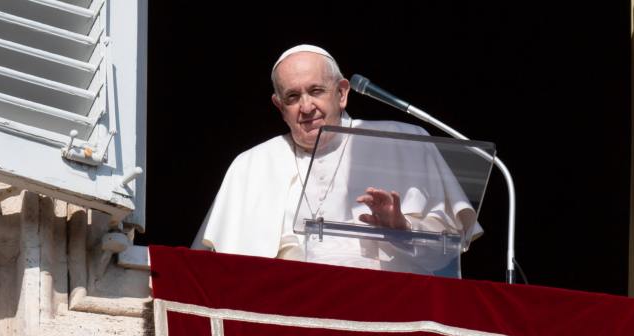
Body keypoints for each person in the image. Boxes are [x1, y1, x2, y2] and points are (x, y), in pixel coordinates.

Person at [194, 44, 482, 274]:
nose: (306, 106)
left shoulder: (403, 141)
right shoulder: (251, 165)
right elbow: (212, 271)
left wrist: (402, 228)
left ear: (342, 93)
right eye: (293, 97)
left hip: (387, 315)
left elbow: (446, 254)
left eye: (316, 91)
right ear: (279, 106)